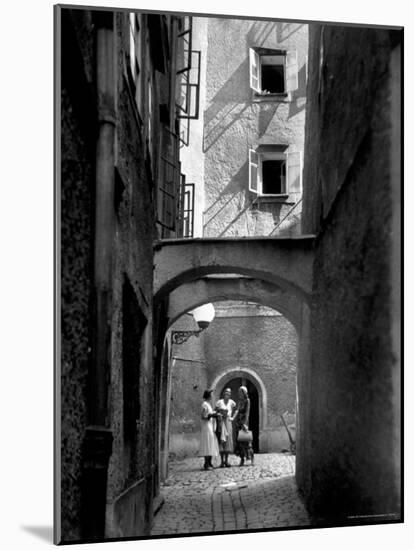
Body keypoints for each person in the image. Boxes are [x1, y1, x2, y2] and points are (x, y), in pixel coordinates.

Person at [232, 386, 254, 466]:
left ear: (244, 393)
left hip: (244, 422)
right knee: (240, 443)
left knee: (247, 442)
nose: (239, 394)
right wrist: (233, 418)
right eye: (239, 392)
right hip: (238, 422)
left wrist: (245, 423)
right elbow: (237, 411)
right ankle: (242, 459)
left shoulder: (247, 400)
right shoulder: (240, 401)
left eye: (240, 392)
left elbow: (247, 412)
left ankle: (252, 458)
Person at [199, 389, 219, 470]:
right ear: (208, 395)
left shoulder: (208, 404)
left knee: (211, 442)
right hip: (206, 426)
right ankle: (206, 463)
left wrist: (215, 412)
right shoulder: (204, 404)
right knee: (207, 442)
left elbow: (210, 413)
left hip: (210, 425)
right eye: (211, 395)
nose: (212, 396)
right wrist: (211, 415)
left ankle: (210, 462)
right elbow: (203, 416)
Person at [215, 388, 236, 467]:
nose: (228, 395)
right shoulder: (219, 402)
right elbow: (215, 410)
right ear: (224, 394)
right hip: (221, 421)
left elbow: (236, 410)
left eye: (229, 393)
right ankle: (221, 461)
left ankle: (226, 461)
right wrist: (219, 414)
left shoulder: (232, 402)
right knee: (222, 440)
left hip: (228, 421)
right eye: (226, 393)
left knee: (228, 440)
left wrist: (232, 417)